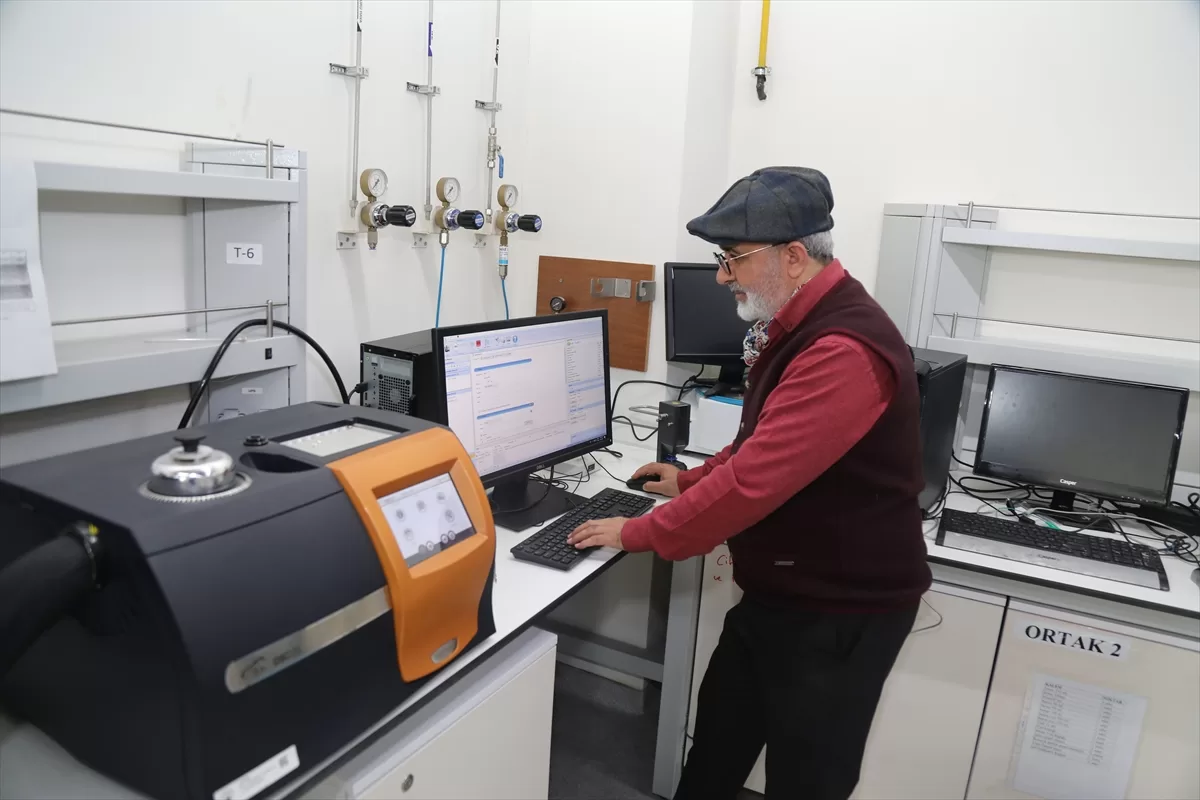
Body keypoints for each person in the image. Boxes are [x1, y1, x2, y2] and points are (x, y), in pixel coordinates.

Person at [567, 166, 932, 800]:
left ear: (792, 256)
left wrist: (637, 533)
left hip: (840, 612)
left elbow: (754, 483)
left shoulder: (842, 349)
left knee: (805, 780)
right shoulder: (800, 323)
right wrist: (689, 482)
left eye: (733, 258)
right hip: (782, 596)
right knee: (717, 746)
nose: (721, 276)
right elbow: (760, 443)